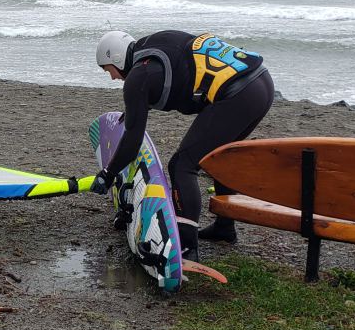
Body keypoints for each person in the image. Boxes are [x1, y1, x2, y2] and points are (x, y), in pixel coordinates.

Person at [90, 30, 275, 262]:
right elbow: (178, 68)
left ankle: (188, 248)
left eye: (109, 70)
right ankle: (224, 227)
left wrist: (108, 173)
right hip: (261, 84)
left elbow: (133, 140)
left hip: (237, 95)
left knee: (182, 165)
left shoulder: (139, 77)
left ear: (116, 58)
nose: (113, 78)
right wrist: (136, 108)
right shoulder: (155, 43)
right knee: (220, 157)